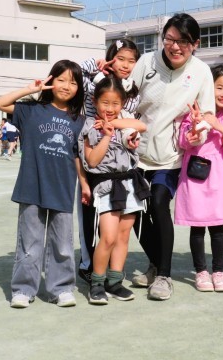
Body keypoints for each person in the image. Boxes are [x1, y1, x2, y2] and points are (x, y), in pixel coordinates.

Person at [129, 13, 215, 301]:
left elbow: (206, 114)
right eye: (169, 39)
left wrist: (198, 132)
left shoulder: (201, 72)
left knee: (158, 203)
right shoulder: (146, 62)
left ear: (195, 44)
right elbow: (127, 99)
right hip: (135, 153)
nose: (175, 47)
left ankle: (164, 276)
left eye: (183, 42)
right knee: (136, 212)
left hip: (171, 156)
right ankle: (155, 264)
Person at [0, 59, 86, 308]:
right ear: (50, 81)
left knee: (62, 244)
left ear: (79, 88)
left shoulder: (79, 120)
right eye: (61, 80)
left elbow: (78, 157)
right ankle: (23, 289)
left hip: (63, 189)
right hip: (31, 186)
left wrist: (84, 185)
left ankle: (61, 288)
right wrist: (30, 90)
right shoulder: (31, 110)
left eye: (73, 82)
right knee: (29, 242)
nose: (66, 86)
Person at [175, 65, 223, 293]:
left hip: (218, 175)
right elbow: (183, 141)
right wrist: (194, 129)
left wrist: (218, 126)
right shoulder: (194, 109)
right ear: (208, 86)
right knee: (197, 226)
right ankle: (201, 272)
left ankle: (218, 271)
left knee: (217, 227)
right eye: (219, 87)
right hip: (194, 174)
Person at [77, 38, 141, 285]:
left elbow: (132, 119)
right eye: (120, 59)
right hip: (95, 161)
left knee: (119, 233)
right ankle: (89, 267)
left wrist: (121, 131)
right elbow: (78, 72)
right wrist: (97, 66)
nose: (125, 65)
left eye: (131, 61)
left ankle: (112, 278)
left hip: (120, 162)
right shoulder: (93, 86)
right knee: (94, 225)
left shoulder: (131, 92)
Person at [80, 76, 148, 305]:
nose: (109, 109)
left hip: (129, 184)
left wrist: (118, 127)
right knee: (108, 237)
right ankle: (97, 283)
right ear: (94, 101)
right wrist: (107, 136)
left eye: (115, 103)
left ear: (123, 103)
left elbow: (142, 126)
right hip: (106, 185)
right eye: (105, 103)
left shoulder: (124, 122)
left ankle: (115, 281)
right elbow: (92, 160)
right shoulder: (90, 126)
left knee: (123, 236)